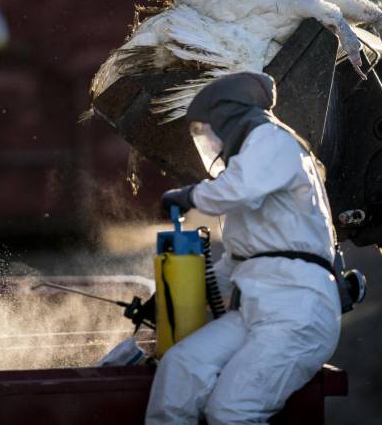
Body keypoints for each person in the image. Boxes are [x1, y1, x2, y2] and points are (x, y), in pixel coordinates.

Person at [145, 72, 341, 425]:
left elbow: (236, 188)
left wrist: (190, 195)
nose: (210, 143)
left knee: (233, 411)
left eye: (208, 131)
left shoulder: (272, 139)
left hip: (296, 310)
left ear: (227, 119)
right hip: (257, 311)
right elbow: (236, 263)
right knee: (180, 368)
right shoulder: (254, 176)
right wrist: (174, 296)